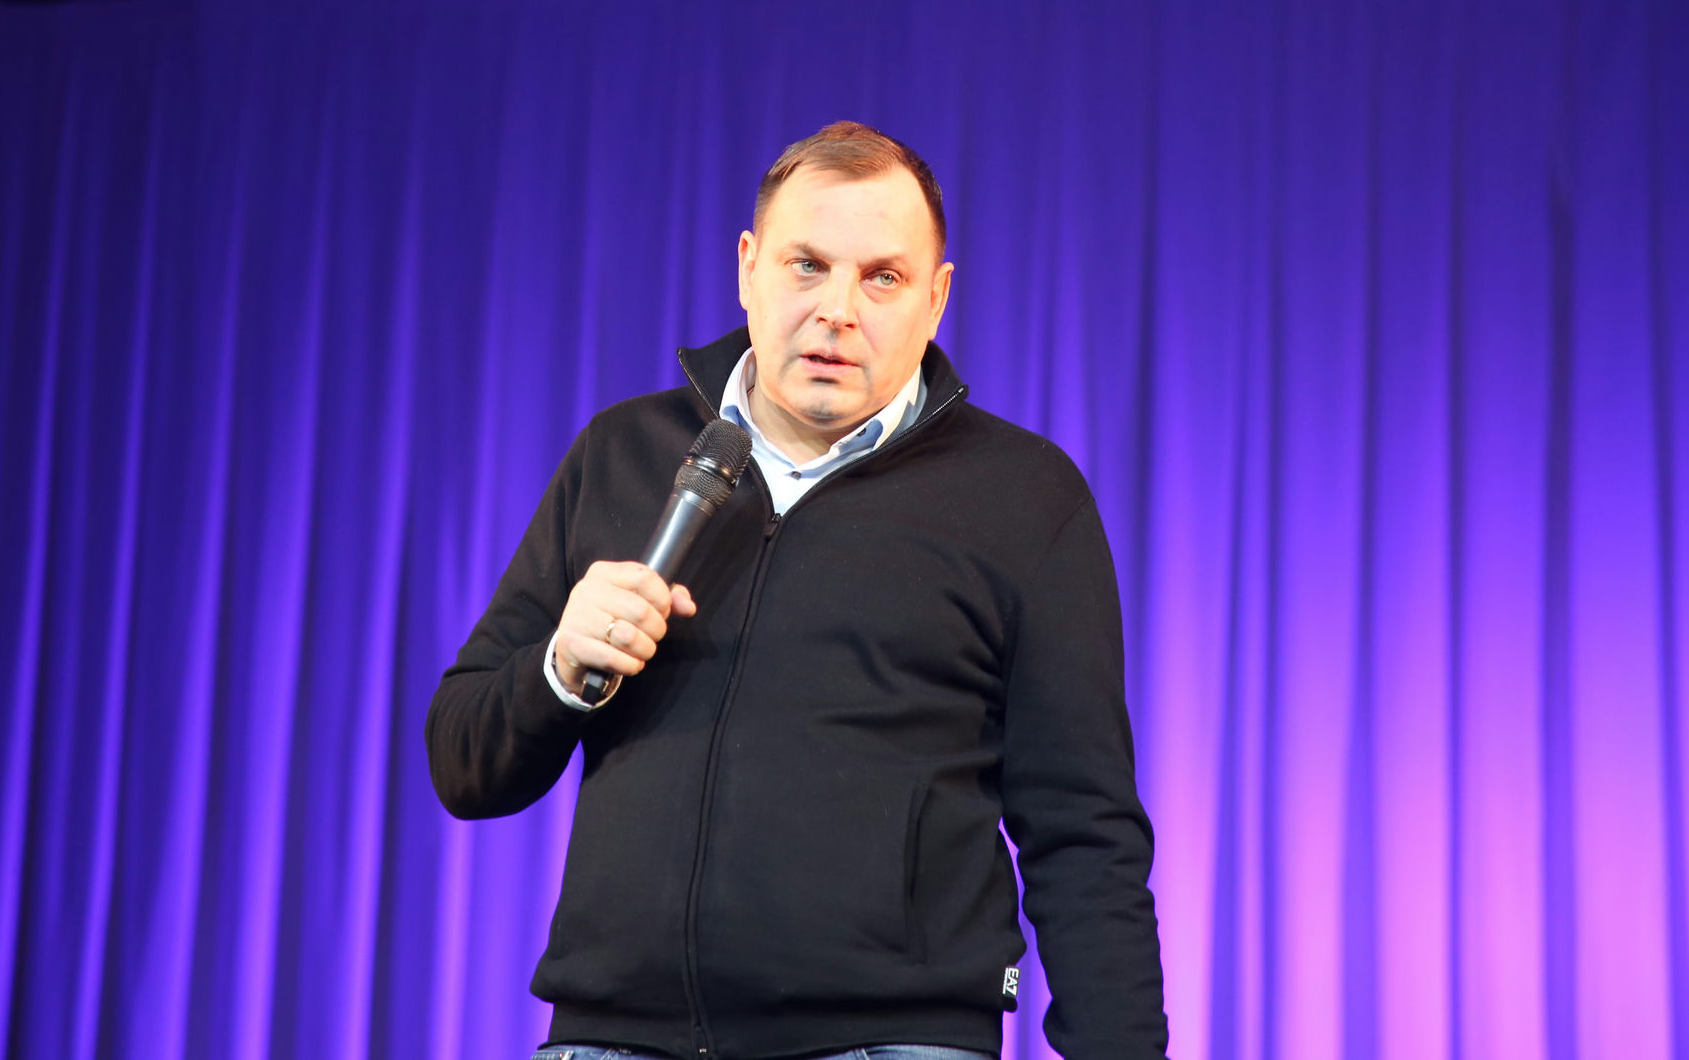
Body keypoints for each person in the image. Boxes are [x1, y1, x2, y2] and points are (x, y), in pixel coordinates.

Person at [427, 121, 1167, 1060]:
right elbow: (464, 764)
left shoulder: (1024, 497)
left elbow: (1084, 832)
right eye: (807, 265)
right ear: (749, 268)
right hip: (613, 1039)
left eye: (882, 277)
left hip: (892, 1041)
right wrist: (560, 670)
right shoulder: (624, 455)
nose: (837, 310)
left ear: (937, 298)